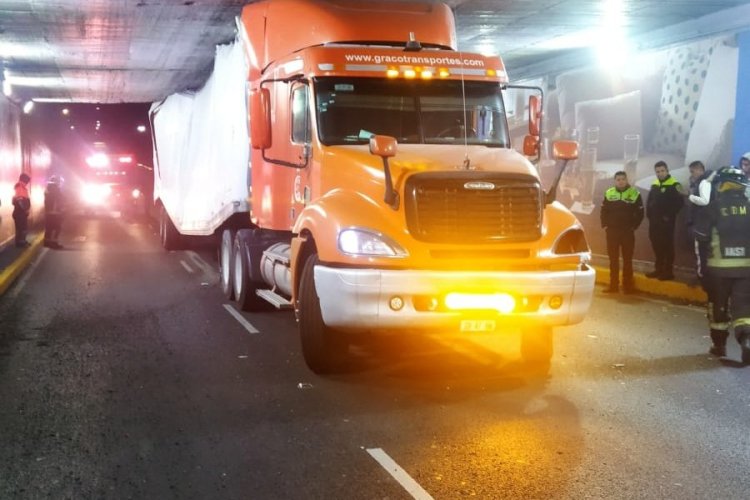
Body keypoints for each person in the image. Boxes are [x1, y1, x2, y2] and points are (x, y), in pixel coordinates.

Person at [701, 166, 750, 364]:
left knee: (718, 308)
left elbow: (700, 238)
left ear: (722, 185)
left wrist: (701, 271)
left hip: (718, 269)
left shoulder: (713, 207)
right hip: (746, 268)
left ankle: (719, 346)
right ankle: (746, 339)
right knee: (744, 307)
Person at [600, 171, 644, 294]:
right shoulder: (609, 193)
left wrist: (633, 227)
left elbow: (640, 213)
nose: (621, 181)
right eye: (618, 179)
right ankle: (613, 286)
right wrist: (605, 226)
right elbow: (603, 211)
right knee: (613, 259)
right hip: (612, 232)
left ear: (626, 180)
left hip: (627, 232)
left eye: (623, 179)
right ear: (615, 181)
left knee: (627, 259)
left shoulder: (634, 193)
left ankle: (627, 286)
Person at [646, 160, 683, 280]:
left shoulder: (675, 184)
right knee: (656, 245)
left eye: (662, 171)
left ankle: (668, 272)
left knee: (667, 246)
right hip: (654, 222)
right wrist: (649, 215)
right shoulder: (655, 184)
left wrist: (668, 216)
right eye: (657, 171)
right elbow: (650, 201)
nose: (660, 173)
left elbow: (679, 203)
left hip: (666, 222)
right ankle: (659, 269)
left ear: (667, 171)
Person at [685, 160, 712, 289]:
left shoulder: (704, 183)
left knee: (700, 253)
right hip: (698, 223)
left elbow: (705, 201)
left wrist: (690, 196)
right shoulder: (699, 182)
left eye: (692, 171)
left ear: (700, 170)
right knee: (699, 253)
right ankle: (702, 276)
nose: (691, 175)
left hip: (700, 225)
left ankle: (702, 278)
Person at [44, 175, 65, 249]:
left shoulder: (48, 189)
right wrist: (62, 209)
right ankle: (54, 243)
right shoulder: (56, 190)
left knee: (49, 228)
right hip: (55, 213)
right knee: (56, 228)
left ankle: (47, 242)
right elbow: (59, 201)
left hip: (48, 213)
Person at [12, 173, 31, 248]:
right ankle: (20, 243)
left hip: (20, 212)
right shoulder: (20, 187)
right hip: (20, 213)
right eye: (27, 181)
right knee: (22, 228)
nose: (27, 183)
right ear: (24, 180)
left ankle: (21, 242)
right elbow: (20, 200)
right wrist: (25, 209)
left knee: (21, 228)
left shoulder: (21, 187)